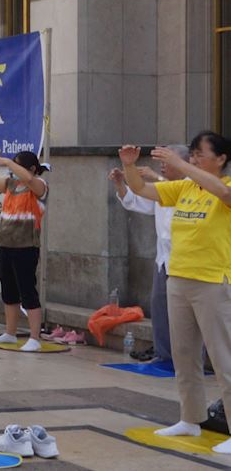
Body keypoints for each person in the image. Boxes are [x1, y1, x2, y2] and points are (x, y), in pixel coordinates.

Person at [119, 133, 231, 451]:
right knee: (184, 354)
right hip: (179, 279)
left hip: (212, 282)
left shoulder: (225, 187)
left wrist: (180, 163)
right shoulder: (184, 187)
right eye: (191, 155)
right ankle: (190, 418)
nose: (193, 160)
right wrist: (129, 166)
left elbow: (222, 191)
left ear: (221, 159)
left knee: (223, 357)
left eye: (199, 154)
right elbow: (141, 189)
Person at [110, 145, 188, 363]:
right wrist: (122, 180)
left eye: (167, 161)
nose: (162, 166)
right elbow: (136, 199)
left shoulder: (194, 187)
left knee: (186, 318)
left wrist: (155, 177)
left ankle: (188, 360)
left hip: (186, 263)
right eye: (160, 162)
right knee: (160, 308)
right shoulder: (161, 189)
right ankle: (164, 356)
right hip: (162, 260)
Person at [0, 151, 49, 352]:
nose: (12, 170)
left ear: (31, 168)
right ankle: (10, 333)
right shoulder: (11, 184)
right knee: (9, 291)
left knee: (28, 291)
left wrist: (7, 161)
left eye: (16, 166)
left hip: (26, 247)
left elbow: (29, 179)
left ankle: (34, 337)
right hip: (5, 244)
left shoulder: (39, 186)